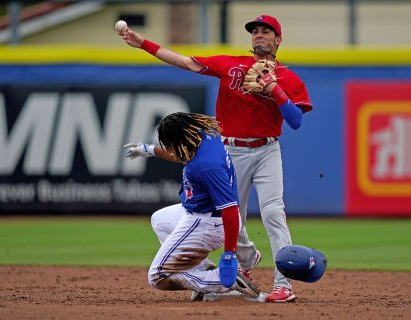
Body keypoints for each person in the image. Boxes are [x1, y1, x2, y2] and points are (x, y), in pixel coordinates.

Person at [119, 14, 313, 302]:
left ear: (278, 39)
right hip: (231, 149)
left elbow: (296, 120)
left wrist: (274, 88)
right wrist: (142, 44)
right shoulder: (231, 64)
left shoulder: (288, 78)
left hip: (267, 149)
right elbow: (185, 62)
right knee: (232, 216)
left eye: (266, 31)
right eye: (255, 31)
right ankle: (244, 264)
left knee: (273, 213)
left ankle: (283, 284)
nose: (259, 35)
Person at [124, 112, 260, 300]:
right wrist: (150, 150)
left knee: (157, 275)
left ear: (179, 139)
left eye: (170, 143)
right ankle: (202, 271)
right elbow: (181, 154)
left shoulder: (207, 166)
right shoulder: (204, 136)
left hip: (208, 222)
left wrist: (229, 255)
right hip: (197, 212)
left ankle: (221, 281)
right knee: (160, 220)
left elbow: (230, 209)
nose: (169, 147)